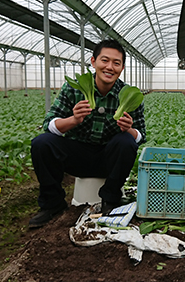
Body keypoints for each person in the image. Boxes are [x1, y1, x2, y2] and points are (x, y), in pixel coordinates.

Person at [29, 39, 146, 228]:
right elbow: (49, 124)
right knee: (42, 143)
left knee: (126, 141)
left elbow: (141, 136)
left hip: (109, 160)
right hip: (77, 156)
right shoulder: (73, 89)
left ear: (122, 68)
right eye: (104, 60)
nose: (110, 67)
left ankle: (110, 200)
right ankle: (52, 204)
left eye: (116, 63)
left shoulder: (129, 95)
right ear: (93, 62)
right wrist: (73, 120)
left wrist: (129, 129)